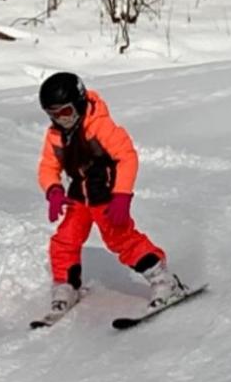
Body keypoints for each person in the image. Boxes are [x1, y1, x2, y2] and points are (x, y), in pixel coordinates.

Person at [37, 71, 185, 315]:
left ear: (79, 103)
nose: (60, 120)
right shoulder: (55, 136)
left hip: (105, 194)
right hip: (78, 196)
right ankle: (66, 285)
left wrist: (122, 195)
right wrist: (53, 189)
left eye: (65, 112)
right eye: (52, 114)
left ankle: (163, 279)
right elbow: (47, 166)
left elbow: (127, 157)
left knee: (121, 239)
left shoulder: (100, 126)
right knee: (65, 239)